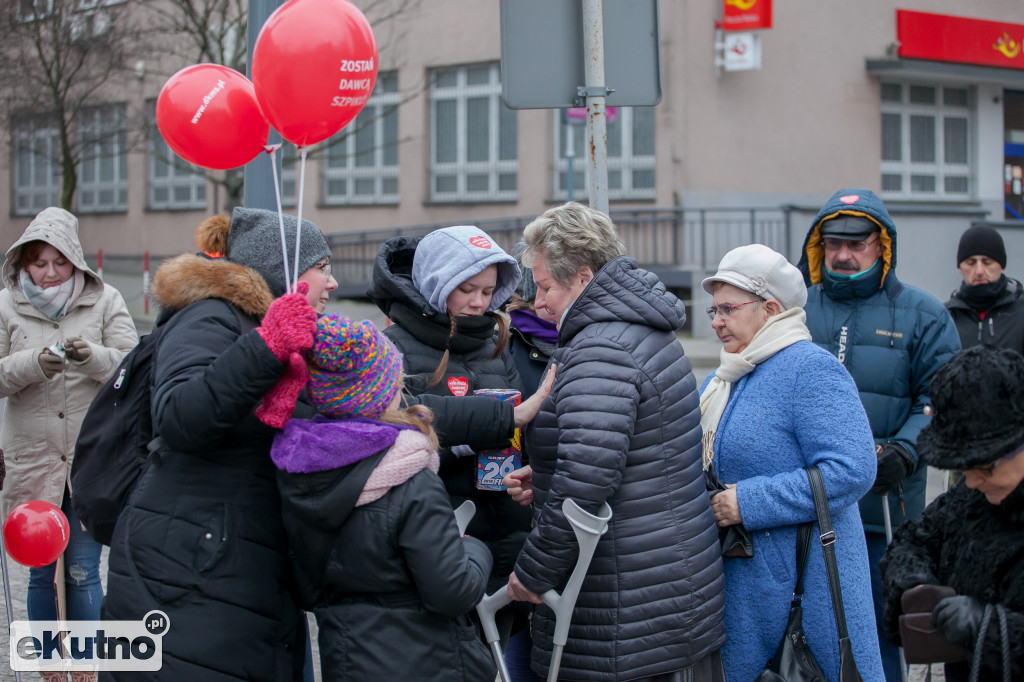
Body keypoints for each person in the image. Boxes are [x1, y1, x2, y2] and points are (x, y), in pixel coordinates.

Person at [102, 208, 333, 680]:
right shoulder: (208, 316)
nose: (331, 283)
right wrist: (266, 348)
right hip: (189, 565)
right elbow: (182, 416)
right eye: (322, 268)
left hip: (243, 566)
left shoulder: (284, 329)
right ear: (283, 268)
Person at [503, 201, 726, 681]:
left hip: (624, 598)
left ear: (582, 278)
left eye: (544, 287)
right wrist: (544, 477)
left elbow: (587, 476)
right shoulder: (641, 329)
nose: (537, 303)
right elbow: (638, 459)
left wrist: (534, 572)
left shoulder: (600, 347)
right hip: (669, 578)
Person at [267, 313, 495, 682]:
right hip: (427, 661)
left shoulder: (301, 473)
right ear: (384, 389)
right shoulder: (409, 477)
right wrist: (473, 550)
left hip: (346, 658)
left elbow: (305, 587)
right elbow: (452, 593)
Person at [797, 188, 961, 681]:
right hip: (804, 507)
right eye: (832, 244)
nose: (843, 255)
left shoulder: (924, 314)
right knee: (806, 631)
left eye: (857, 244)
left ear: (881, 246)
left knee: (876, 634)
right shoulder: (794, 309)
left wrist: (907, 450)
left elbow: (942, 397)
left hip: (884, 513)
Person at [699, 244, 884, 681]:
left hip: (810, 589)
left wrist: (749, 502)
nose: (716, 321)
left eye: (728, 308)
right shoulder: (723, 377)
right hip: (745, 589)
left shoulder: (811, 369)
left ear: (771, 308)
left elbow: (853, 468)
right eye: (713, 310)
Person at [366, 225, 531, 643]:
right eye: (468, 290)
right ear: (437, 284)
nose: (479, 303)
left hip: (505, 530)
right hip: (438, 536)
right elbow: (398, 421)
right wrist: (482, 428)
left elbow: (519, 432)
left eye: (488, 291)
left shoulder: (496, 343)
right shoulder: (389, 347)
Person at [0, 207, 138, 682]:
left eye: (60, 262)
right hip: (33, 460)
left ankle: (85, 660)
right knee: (40, 570)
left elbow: (130, 365)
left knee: (82, 567)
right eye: (40, 262)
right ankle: (46, 659)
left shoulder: (107, 301)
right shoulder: (4, 304)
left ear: (76, 261)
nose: (51, 272)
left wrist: (92, 356)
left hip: (90, 462)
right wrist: (34, 363)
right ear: (23, 263)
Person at [880, 345, 1024, 682]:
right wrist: (916, 587)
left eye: (984, 467)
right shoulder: (972, 499)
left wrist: (990, 629)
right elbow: (914, 541)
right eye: (962, 469)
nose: (971, 482)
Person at [502, 244, 556, 682]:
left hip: (559, 511)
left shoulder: (588, 338)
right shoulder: (502, 341)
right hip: (515, 503)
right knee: (519, 641)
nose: (543, 303)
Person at [945, 224, 1024, 353]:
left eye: (987, 262)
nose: (979, 271)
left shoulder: (1021, 313)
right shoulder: (946, 319)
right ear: (960, 268)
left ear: (1001, 265)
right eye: (971, 263)